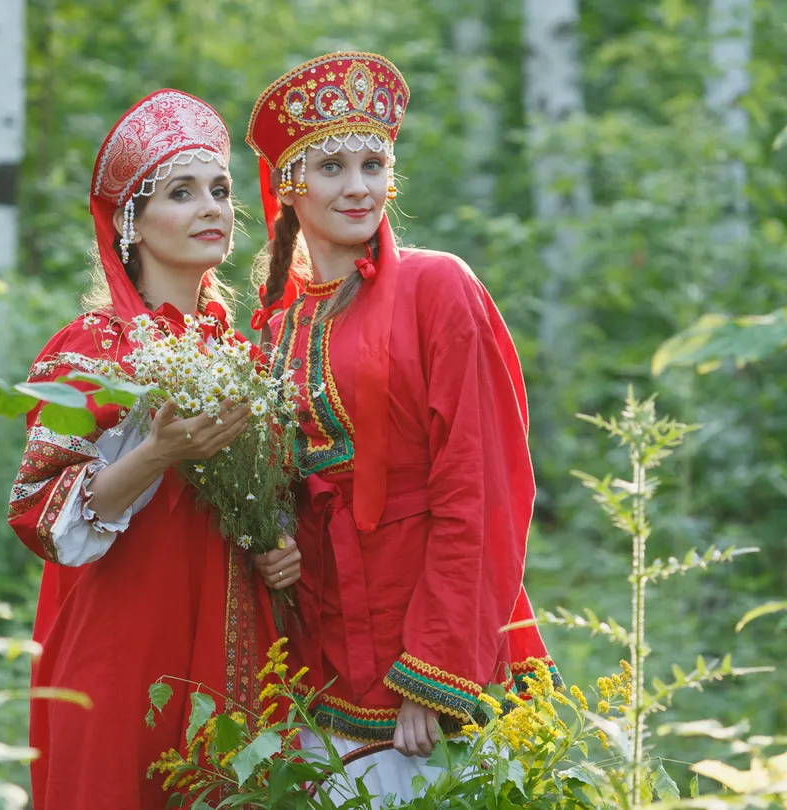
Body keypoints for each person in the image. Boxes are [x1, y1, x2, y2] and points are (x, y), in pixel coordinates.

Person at [243, 52, 560, 803]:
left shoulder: (438, 285)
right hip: (317, 665)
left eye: (373, 163)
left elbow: (481, 485)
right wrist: (270, 541)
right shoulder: (272, 330)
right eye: (330, 167)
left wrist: (436, 669)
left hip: (425, 661)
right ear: (289, 185)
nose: (358, 186)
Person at [7, 89, 300, 810]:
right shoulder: (96, 349)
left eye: (221, 190)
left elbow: (270, 489)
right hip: (126, 640)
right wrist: (156, 453)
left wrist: (281, 540)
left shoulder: (242, 350)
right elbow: (39, 513)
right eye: (182, 192)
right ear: (131, 221)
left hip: (235, 627)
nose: (212, 208)